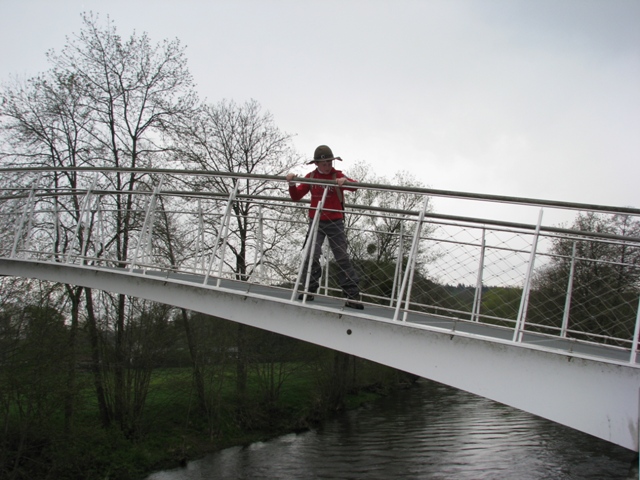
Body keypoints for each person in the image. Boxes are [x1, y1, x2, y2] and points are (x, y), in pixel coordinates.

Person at [286, 145, 364, 310]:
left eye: (329, 162)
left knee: (341, 256)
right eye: (324, 163)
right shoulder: (311, 177)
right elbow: (296, 196)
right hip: (316, 221)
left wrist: (345, 182)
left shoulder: (337, 175)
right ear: (317, 164)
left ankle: (352, 295)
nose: (327, 166)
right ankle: (309, 289)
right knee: (312, 254)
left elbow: (355, 186)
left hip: (335, 222)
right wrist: (291, 183)